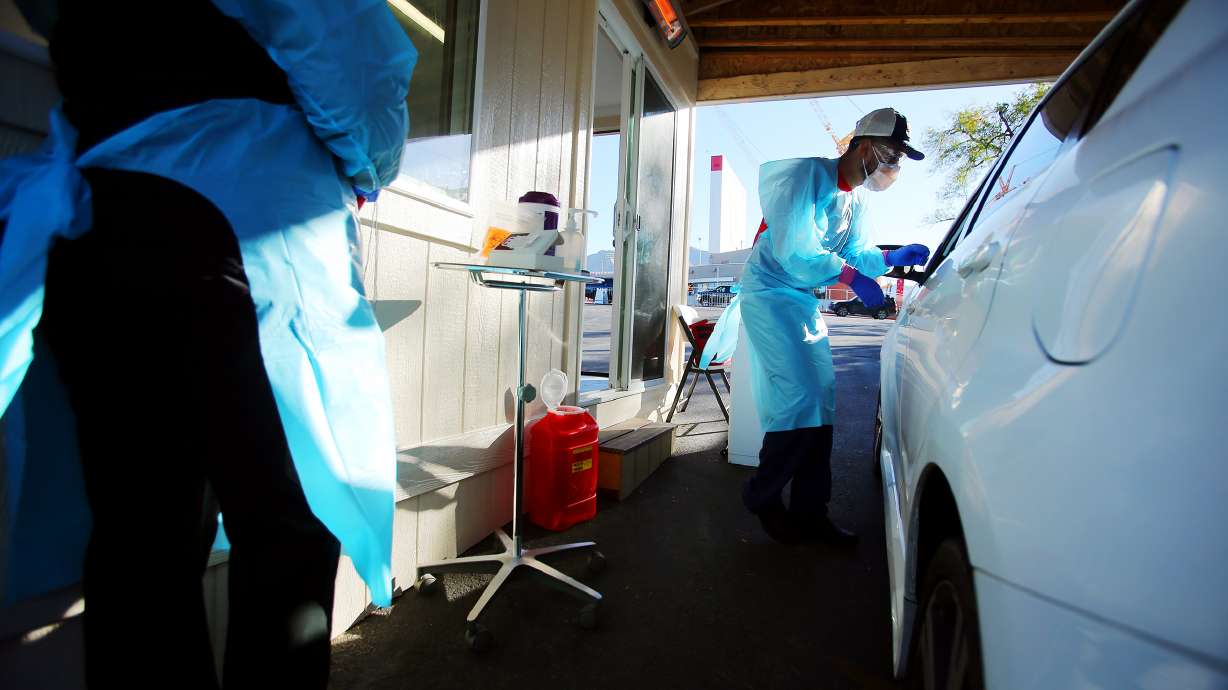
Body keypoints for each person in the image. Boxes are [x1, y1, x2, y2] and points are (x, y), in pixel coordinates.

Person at [0, 1, 415, 687]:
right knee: (287, 531)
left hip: (95, 225)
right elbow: (350, 55)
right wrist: (369, 164)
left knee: (141, 543)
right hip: (237, 218)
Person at [700, 108, 931, 547]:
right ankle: (762, 496)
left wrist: (890, 261)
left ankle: (811, 512)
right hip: (769, 296)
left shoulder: (856, 201)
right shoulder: (803, 177)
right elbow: (797, 252)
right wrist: (852, 279)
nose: (894, 167)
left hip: (802, 302)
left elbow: (859, 253)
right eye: (891, 154)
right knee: (800, 397)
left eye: (899, 158)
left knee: (821, 402)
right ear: (864, 146)